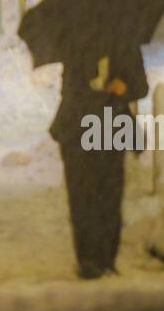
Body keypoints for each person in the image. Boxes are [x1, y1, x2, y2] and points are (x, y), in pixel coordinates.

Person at [50, 41, 148, 279]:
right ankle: (88, 258)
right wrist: (90, 88)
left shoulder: (125, 46)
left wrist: (123, 87)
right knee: (82, 195)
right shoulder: (74, 47)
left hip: (111, 126)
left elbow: (141, 85)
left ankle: (106, 256)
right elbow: (69, 90)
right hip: (78, 128)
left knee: (109, 194)